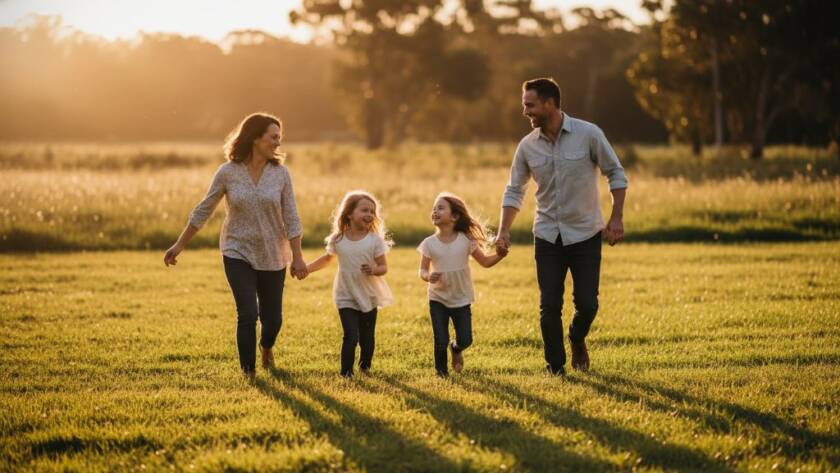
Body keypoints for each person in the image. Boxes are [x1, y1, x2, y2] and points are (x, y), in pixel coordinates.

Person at [495, 78, 628, 375]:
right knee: (549, 306)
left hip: (585, 233)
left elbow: (615, 174)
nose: (525, 111)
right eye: (524, 104)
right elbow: (514, 190)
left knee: (587, 304)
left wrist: (616, 217)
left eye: (530, 105)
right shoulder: (527, 147)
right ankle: (556, 367)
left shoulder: (589, 134)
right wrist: (504, 230)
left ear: (550, 103)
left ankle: (577, 337)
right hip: (547, 235)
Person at [163, 112, 308, 381]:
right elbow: (204, 209)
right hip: (236, 250)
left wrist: (298, 257)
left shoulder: (280, 174)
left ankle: (266, 347)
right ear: (255, 138)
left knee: (272, 320)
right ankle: (249, 373)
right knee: (247, 313)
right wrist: (179, 245)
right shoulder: (228, 172)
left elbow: (292, 216)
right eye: (273, 137)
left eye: (280, 137)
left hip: (273, 253)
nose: (278, 142)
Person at [305, 191, 393, 377]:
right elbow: (326, 259)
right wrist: (307, 269)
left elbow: (383, 267)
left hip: (368, 294)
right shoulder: (339, 239)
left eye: (372, 211)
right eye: (364, 210)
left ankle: (364, 367)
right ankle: (346, 373)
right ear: (349, 213)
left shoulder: (374, 240)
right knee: (350, 336)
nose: (369, 214)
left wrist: (374, 268)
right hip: (345, 294)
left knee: (367, 338)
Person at [417, 192, 505, 377]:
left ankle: (456, 349)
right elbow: (422, 270)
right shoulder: (429, 244)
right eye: (434, 208)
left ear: (455, 216)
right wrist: (428, 276)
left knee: (466, 339)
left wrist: (500, 255)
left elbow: (486, 262)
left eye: (440, 208)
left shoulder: (466, 241)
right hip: (437, 298)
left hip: (461, 298)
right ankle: (442, 373)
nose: (435, 211)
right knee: (440, 339)